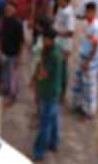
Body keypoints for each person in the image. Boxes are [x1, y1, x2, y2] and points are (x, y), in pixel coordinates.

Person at [32, 27, 63, 161]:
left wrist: (36, 77)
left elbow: (43, 74)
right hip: (54, 90)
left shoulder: (52, 55)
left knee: (44, 124)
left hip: (49, 92)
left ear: (50, 39)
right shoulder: (55, 48)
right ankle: (53, 142)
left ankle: (38, 152)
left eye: (45, 39)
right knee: (54, 118)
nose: (44, 41)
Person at [72, 2, 98, 117]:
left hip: (91, 60)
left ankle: (89, 111)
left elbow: (95, 46)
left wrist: (87, 62)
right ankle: (79, 104)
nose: (88, 14)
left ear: (94, 12)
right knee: (79, 81)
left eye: (90, 12)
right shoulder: (86, 23)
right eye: (87, 12)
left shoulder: (97, 27)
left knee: (89, 85)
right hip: (83, 55)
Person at [0, 1, 25, 105]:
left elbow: (21, 41)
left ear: (15, 10)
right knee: (5, 72)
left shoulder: (18, 23)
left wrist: (19, 56)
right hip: (4, 51)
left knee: (13, 76)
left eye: (10, 9)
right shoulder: (5, 19)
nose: (8, 11)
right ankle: (6, 89)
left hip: (13, 54)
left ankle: (13, 96)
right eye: (7, 9)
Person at [53, 0, 75, 101]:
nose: (58, 1)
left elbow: (70, 32)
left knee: (62, 70)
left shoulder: (69, 13)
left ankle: (62, 95)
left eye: (60, 0)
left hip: (64, 46)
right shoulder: (61, 9)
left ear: (66, 1)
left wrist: (56, 33)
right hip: (58, 43)